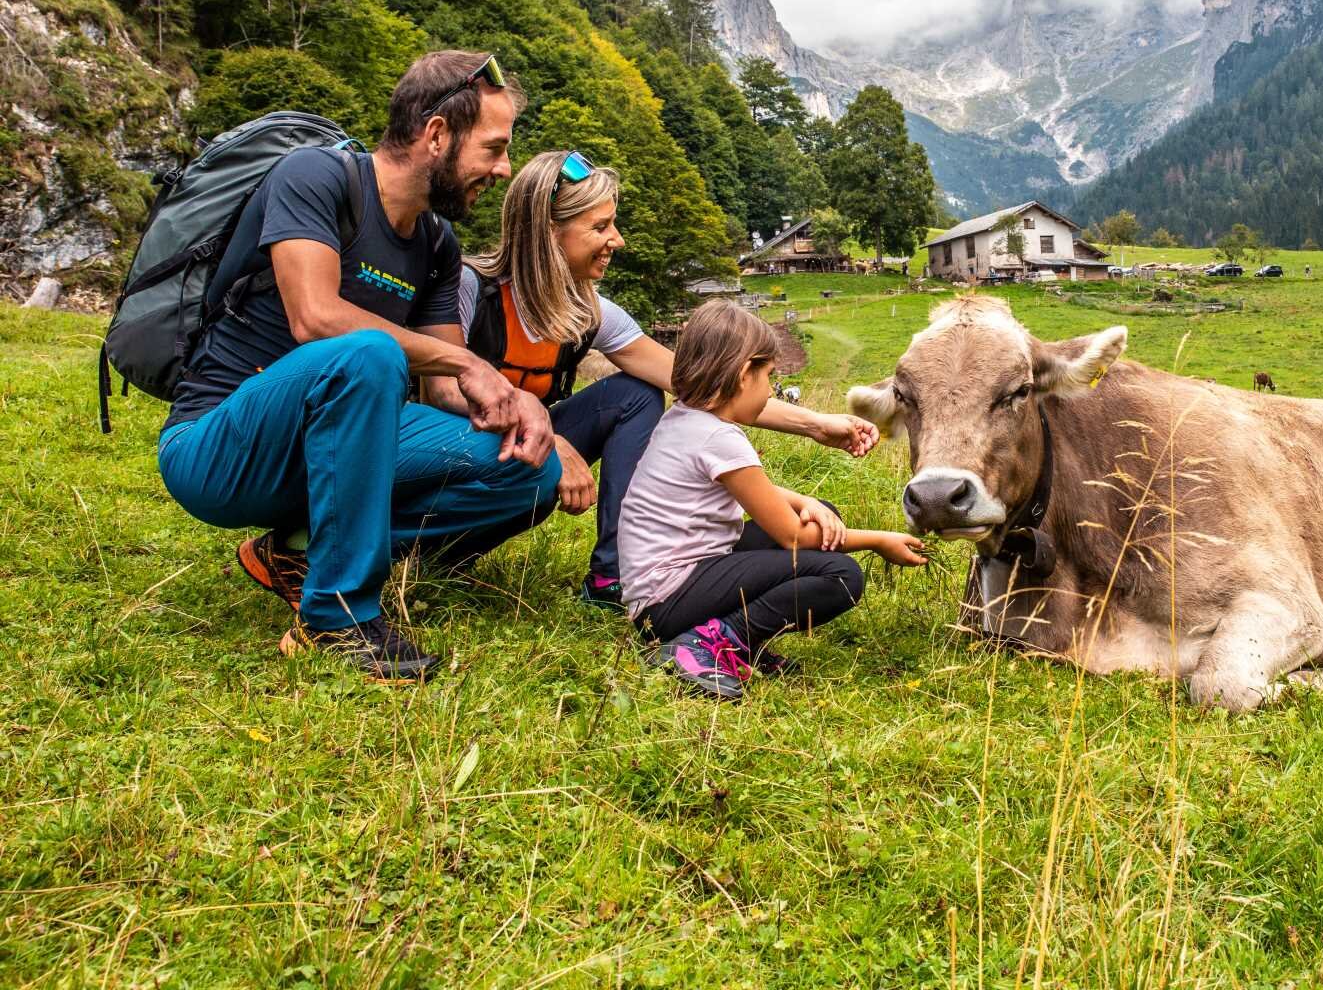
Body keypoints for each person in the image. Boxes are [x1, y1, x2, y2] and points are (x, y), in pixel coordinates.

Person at [157, 51, 560, 682]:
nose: (503, 169)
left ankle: (298, 551)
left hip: (342, 444)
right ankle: (337, 617)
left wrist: (518, 404)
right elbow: (315, 317)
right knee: (366, 352)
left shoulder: (434, 244)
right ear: (436, 135)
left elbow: (445, 388)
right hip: (219, 449)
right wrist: (462, 359)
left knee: (528, 470)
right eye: (494, 148)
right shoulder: (316, 176)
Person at [437, 150, 879, 609]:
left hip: (527, 444)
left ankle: (615, 574)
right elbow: (443, 392)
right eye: (600, 226)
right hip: (460, 453)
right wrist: (547, 436)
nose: (618, 240)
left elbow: (705, 385)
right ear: (549, 233)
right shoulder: (472, 290)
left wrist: (816, 424)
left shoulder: (590, 311)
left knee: (635, 392)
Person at [618, 300, 926, 701]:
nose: (770, 391)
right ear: (745, 374)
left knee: (823, 516)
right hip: (669, 599)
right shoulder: (719, 438)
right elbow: (795, 539)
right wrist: (879, 540)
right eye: (768, 376)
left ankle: (735, 642)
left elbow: (732, 489)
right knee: (840, 575)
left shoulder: (685, 419)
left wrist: (804, 499)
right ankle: (711, 645)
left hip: (665, 590)